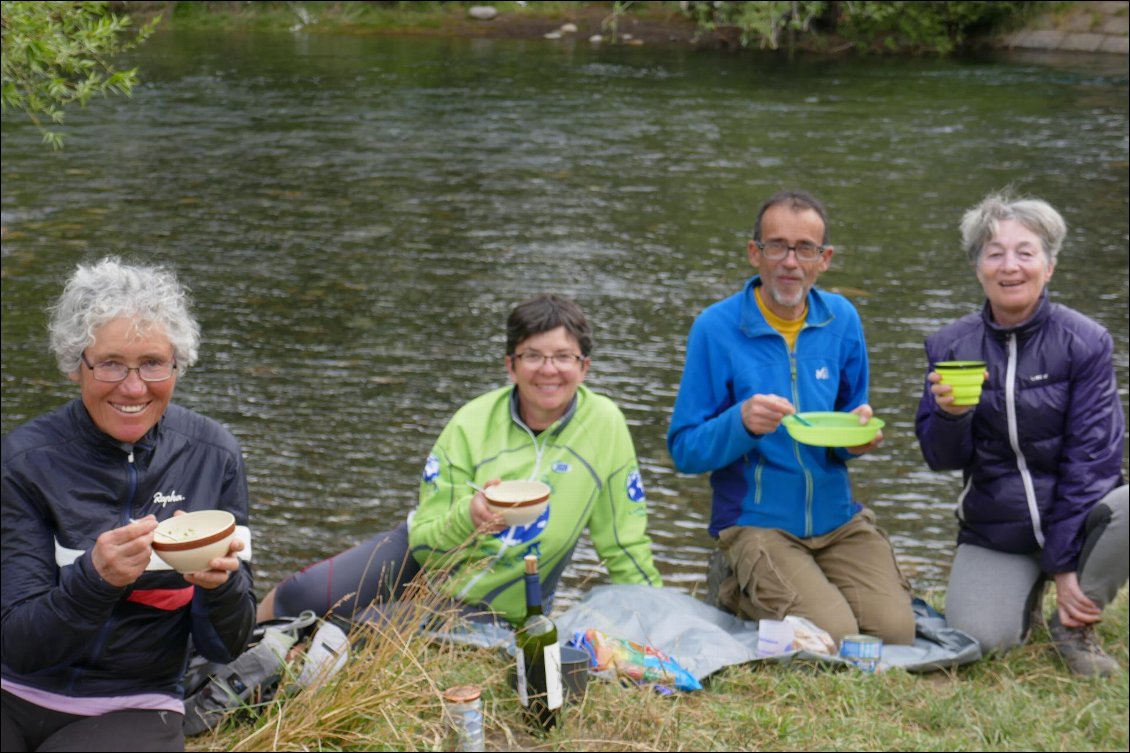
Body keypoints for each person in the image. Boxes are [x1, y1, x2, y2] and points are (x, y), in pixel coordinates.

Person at [257, 293, 661, 628]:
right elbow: (427, 539)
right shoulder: (472, 421)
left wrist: (657, 620)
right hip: (426, 551)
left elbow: (624, 544)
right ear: (510, 365)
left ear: (584, 367)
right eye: (533, 356)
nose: (548, 370)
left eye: (563, 357)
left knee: (365, 629)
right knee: (300, 595)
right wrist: (470, 518)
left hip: (495, 601)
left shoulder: (604, 425)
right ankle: (224, 665)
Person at [1, 257, 256, 752]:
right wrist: (96, 580)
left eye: (153, 364)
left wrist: (221, 586)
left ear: (177, 364)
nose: (134, 387)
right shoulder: (23, 462)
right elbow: (17, 646)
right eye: (111, 363)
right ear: (77, 365)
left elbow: (225, 646)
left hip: (134, 701)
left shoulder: (213, 455)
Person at [667, 189, 915, 646]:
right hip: (756, 523)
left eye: (805, 249)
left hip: (837, 519)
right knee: (834, 638)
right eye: (776, 246)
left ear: (825, 259)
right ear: (754, 253)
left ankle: (808, 579)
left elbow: (844, 423)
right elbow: (684, 449)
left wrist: (854, 439)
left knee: (896, 633)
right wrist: (740, 422)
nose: (790, 262)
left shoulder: (842, 319)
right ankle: (734, 580)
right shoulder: (716, 328)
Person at [915, 193, 1127, 676]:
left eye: (1025, 253)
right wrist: (950, 416)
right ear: (978, 268)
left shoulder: (1086, 341)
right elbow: (939, 457)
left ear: (1048, 266)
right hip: (996, 525)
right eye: (994, 253)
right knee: (981, 640)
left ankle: (1074, 626)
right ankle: (1023, 598)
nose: (1010, 266)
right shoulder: (950, 344)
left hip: (1077, 516)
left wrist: (1064, 563)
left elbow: (1093, 461)